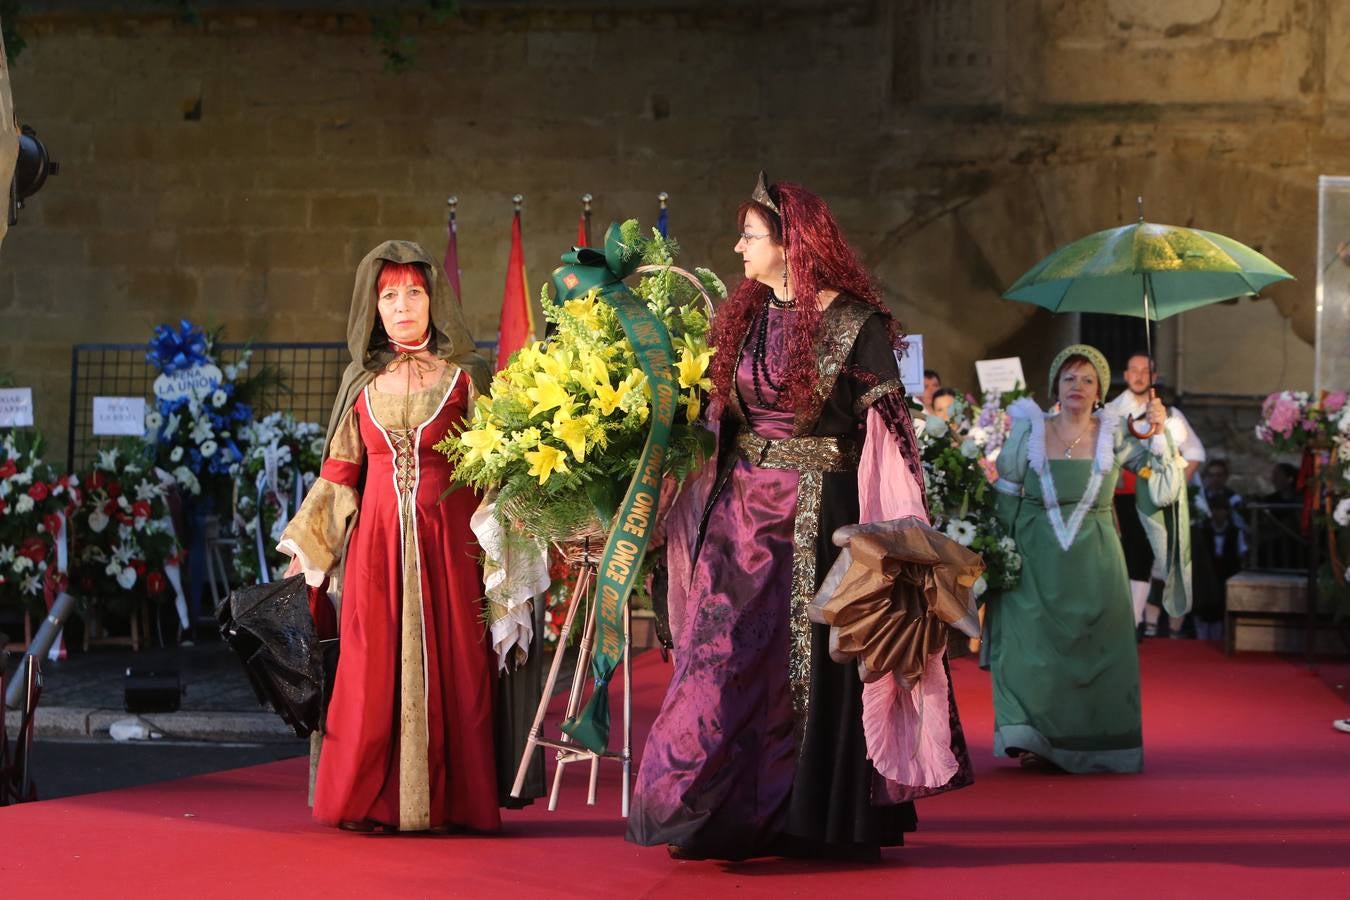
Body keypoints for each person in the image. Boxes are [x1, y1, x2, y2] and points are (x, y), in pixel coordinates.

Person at [627, 175, 973, 861]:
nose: (738, 247)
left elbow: (891, 439)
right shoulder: (747, 314)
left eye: (750, 236)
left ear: (793, 244)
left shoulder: (855, 325)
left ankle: (815, 818)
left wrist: (901, 543)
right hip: (740, 517)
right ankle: (720, 811)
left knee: (820, 660)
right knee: (721, 657)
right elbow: (722, 415)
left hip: (823, 515)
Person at [277, 240, 538, 833]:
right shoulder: (360, 383)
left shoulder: (467, 380)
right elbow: (340, 474)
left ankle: (455, 801)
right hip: (375, 551)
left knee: (459, 667)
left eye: (413, 292)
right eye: (389, 295)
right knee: (370, 668)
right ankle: (372, 801)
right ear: (373, 306)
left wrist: (515, 543)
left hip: (450, 549)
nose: (402, 306)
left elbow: (498, 466)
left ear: (433, 299)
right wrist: (308, 552)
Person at [984, 344, 1188, 773]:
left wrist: (1159, 431)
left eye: (1088, 379)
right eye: (1069, 378)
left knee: (1099, 650)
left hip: (1097, 558)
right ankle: (1033, 738)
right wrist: (997, 552)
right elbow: (1005, 490)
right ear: (1056, 386)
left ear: (1100, 391)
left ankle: (1096, 741)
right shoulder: (1029, 429)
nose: (1078, 386)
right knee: (1032, 648)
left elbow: (1162, 482)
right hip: (1034, 554)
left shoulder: (1115, 432)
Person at [1106, 352, 1205, 636]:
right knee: (1117, 558)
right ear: (1125, 375)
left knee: (1143, 556)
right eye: (1133, 369)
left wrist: (1172, 486)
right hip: (1116, 496)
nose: (1138, 375)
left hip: (1149, 495)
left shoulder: (1169, 414)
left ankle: (1135, 620)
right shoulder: (1112, 412)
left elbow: (1196, 452)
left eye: (1145, 371)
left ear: (1154, 377)